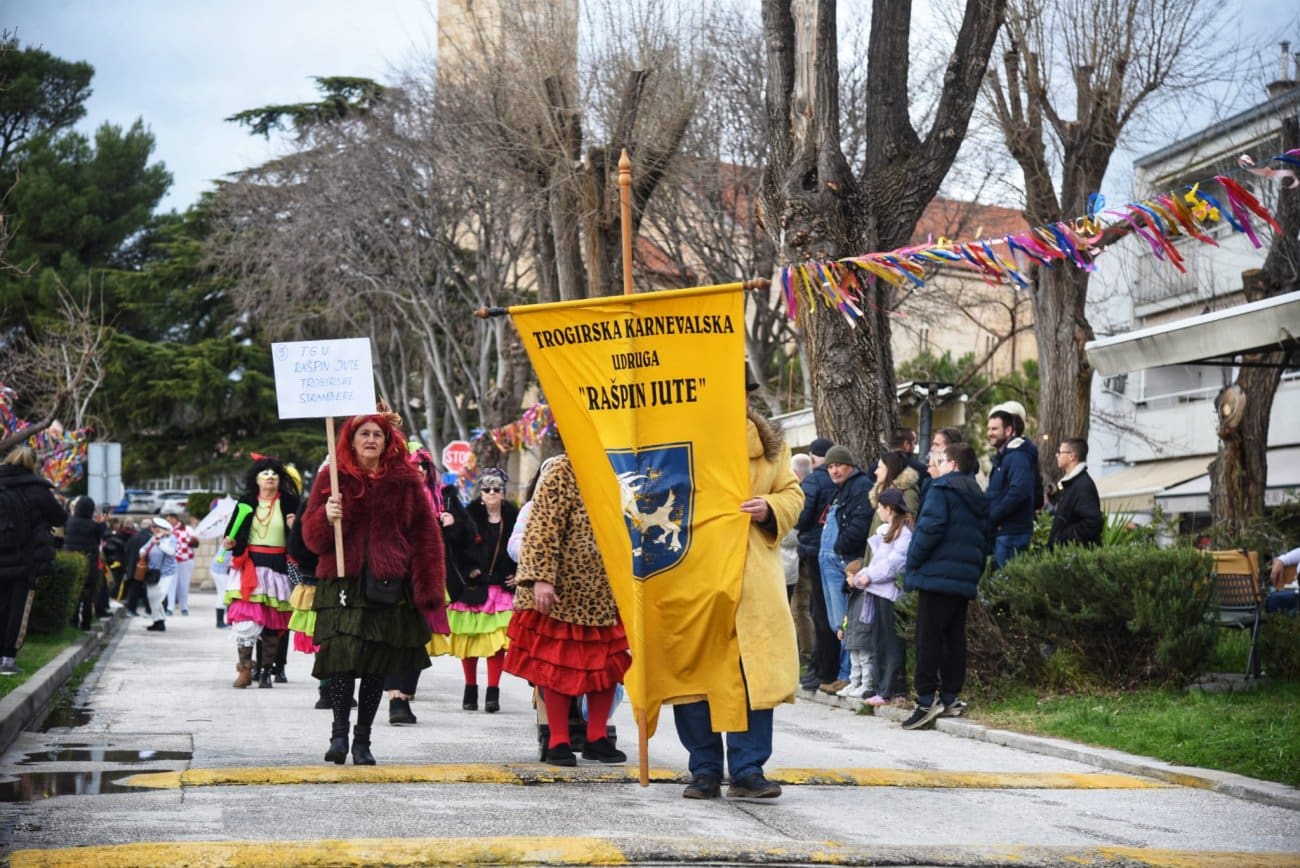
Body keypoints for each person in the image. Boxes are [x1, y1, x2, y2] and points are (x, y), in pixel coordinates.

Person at [672, 395, 803, 801]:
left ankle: (748, 769)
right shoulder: (680, 440)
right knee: (696, 672)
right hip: (695, 574)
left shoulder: (772, 448)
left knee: (754, 673)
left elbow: (792, 494)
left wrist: (770, 507)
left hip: (752, 579)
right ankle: (704, 768)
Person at [301, 412, 447, 765]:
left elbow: (426, 536)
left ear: (387, 441)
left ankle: (362, 740)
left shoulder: (406, 481)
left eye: (377, 435)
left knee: (374, 666)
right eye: (364, 434)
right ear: (351, 440)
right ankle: (339, 735)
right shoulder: (331, 478)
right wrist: (327, 517)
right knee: (340, 661)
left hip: (387, 585)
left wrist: (428, 588)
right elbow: (311, 539)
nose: (370, 440)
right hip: (342, 583)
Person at [505, 445, 631, 767]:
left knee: (608, 666)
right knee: (557, 666)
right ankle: (558, 739)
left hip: (608, 591)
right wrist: (541, 578)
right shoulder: (563, 468)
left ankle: (597, 737)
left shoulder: (624, 465)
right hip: (564, 593)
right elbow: (542, 527)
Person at [901, 442, 989, 730]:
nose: (935, 466)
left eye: (940, 461)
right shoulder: (977, 493)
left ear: (952, 464)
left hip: (937, 575)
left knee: (928, 638)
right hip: (962, 577)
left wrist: (912, 563)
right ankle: (950, 697)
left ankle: (926, 700)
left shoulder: (941, 489)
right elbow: (984, 538)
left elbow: (929, 530)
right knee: (954, 639)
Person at [383, 446, 455, 726]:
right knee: (392, 637)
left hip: (427, 576)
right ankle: (395, 699)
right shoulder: (390, 494)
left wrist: (452, 524)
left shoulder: (444, 498)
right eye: (414, 464)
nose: (419, 469)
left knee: (419, 636)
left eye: (424, 464)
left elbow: (465, 538)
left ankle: (404, 695)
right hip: (393, 574)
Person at [221, 456, 300, 689]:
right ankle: (245, 671)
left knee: (272, 625)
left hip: (278, 567)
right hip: (250, 566)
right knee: (245, 621)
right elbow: (232, 533)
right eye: (264, 473)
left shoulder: (290, 502)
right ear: (255, 479)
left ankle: (266, 672)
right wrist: (229, 542)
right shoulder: (246, 501)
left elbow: (302, 536)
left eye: (274, 473)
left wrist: (295, 526)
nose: (270, 477)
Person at [449, 467, 518, 713]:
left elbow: (523, 547)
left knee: (496, 644)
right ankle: (470, 690)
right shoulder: (468, 515)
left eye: (496, 489)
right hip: (474, 587)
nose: (491, 493)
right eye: (486, 489)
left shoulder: (514, 517)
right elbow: (456, 548)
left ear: (503, 492)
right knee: (469, 639)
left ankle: (493, 693)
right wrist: (468, 570)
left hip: (500, 588)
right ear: (480, 492)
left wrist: (518, 574)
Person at [0, 447, 65, 675]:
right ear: (33, 464)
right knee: (18, 609)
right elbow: (59, 517)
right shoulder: (37, 489)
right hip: (26, 559)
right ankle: (7, 659)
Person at [816, 444, 874, 694]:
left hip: (841, 561)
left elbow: (859, 526)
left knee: (845, 621)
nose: (834, 470)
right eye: (830, 466)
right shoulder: (839, 490)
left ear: (850, 465)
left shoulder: (860, 487)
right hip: (827, 561)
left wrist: (840, 547)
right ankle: (845, 674)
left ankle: (848, 675)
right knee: (835, 622)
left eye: (838, 465)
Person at [857, 488, 912, 708]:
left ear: (889, 509)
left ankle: (892, 689)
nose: (878, 511)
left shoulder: (903, 535)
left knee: (891, 643)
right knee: (881, 642)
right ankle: (883, 687)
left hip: (890, 595)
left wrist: (868, 575)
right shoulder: (888, 532)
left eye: (880, 507)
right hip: (879, 592)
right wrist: (863, 574)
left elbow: (892, 565)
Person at [794, 437, 837, 691]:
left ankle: (822, 669)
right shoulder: (840, 479)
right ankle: (825, 667)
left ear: (812, 457)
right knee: (830, 611)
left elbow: (800, 517)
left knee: (819, 611)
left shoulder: (813, 481)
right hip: (835, 549)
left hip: (814, 549)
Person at [986, 404, 1038, 568]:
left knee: (1004, 581)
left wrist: (993, 517)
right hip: (1004, 533)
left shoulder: (1018, 457)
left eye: (994, 429)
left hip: (1011, 534)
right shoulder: (1005, 458)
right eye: (988, 429)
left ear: (1008, 430)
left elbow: (1019, 492)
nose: (989, 433)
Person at [1048, 438, 1103, 547]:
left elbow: (1092, 522)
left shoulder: (1082, 485)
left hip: (1075, 554)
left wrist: (1062, 537)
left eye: (1060, 452)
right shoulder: (1072, 483)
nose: (1056, 455)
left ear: (1071, 456)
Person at [64, 496, 107, 630]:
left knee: (74, 593)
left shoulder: (69, 522)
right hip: (90, 563)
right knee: (88, 594)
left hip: (72, 561)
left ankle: (73, 621)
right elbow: (101, 536)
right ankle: (86, 623)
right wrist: (103, 522)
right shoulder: (94, 526)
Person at [140, 516, 178, 632]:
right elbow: (143, 549)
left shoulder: (171, 539)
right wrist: (143, 552)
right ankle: (157, 621)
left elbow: (171, 552)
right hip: (152, 572)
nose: (152, 529)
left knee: (159, 596)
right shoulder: (153, 538)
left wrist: (159, 543)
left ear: (161, 529)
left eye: (155, 527)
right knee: (152, 596)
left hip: (166, 573)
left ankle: (161, 621)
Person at [164, 509, 194, 616]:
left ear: (175, 519)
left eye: (169, 519)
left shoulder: (187, 529)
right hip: (172, 560)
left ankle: (184, 607)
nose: (168, 521)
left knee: (184, 585)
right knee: (171, 584)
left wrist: (192, 541)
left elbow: (195, 541)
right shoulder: (167, 530)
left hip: (186, 559)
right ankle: (170, 608)